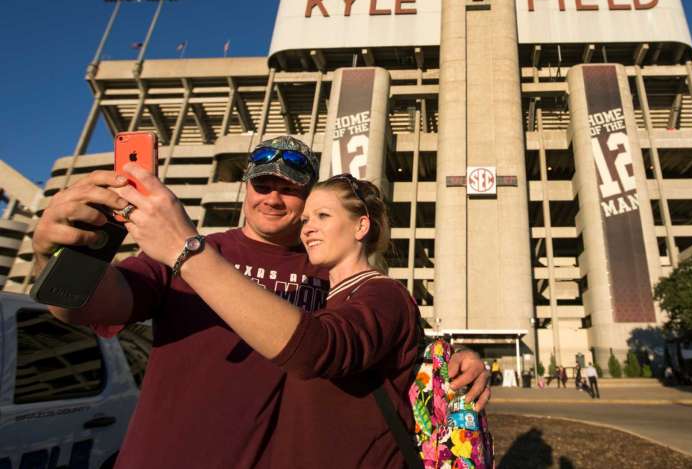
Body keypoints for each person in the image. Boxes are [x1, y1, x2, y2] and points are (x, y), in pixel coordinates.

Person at [31, 135, 489, 468]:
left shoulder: (328, 269)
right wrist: (54, 255)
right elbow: (81, 305)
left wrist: (456, 360)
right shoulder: (202, 250)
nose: (273, 197)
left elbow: (368, 342)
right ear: (245, 188)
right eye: (262, 184)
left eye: (289, 188)